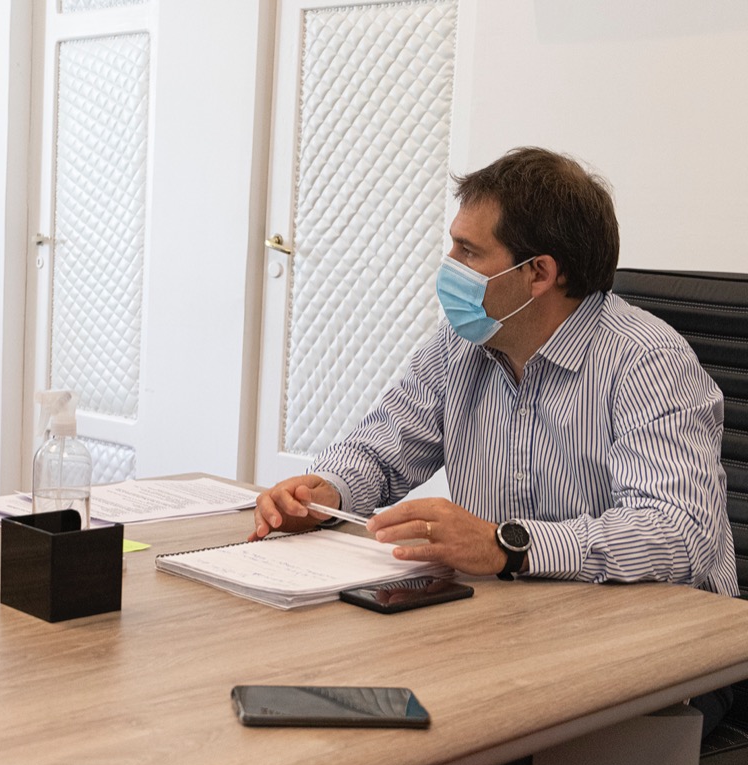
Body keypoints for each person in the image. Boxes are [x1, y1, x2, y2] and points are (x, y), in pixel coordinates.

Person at [253, 148, 737, 726]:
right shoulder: (460, 344)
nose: (448, 266)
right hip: (512, 625)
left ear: (539, 273)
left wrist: (508, 545)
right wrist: (325, 491)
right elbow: (381, 447)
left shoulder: (647, 361)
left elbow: (678, 534)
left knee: (423, 736)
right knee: (339, 690)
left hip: (654, 653)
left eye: (468, 251)